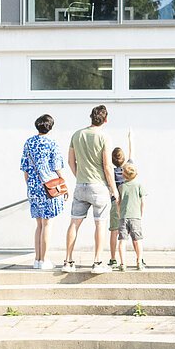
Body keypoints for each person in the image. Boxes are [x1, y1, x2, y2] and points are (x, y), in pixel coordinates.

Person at [64, 104, 118, 273]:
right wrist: (113, 188)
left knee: (74, 223)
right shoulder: (104, 136)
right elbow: (107, 166)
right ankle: (97, 262)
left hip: (80, 185)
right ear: (106, 119)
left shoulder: (77, 134)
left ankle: (68, 261)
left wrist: (78, 176)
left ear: (91, 117)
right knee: (100, 225)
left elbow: (70, 161)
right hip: (99, 187)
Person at [20, 113, 67, 270]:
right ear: (50, 127)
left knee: (39, 224)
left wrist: (31, 185)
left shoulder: (28, 143)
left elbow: (25, 169)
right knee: (47, 224)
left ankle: (37, 260)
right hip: (48, 187)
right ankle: (44, 260)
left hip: (33, 187)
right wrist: (64, 184)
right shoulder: (52, 143)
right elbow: (57, 167)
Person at [108, 130, 134, 268]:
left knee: (114, 230)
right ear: (123, 159)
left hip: (114, 203)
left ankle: (113, 258)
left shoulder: (110, 172)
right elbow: (131, 153)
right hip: (128, 205)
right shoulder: (128, 169)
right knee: (132, 232)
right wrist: (130, 138)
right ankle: (138, 258)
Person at [117, 161, 146, 270]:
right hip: (136, 217)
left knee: (122, 241)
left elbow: (118, 203)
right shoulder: (139, 185)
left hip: (123, 217)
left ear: (123, 174)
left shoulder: (121, 187)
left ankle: (123, 264)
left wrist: (120, 214)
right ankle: (139, 262)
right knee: (138, 240)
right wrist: (140, 214)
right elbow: (143, 202)